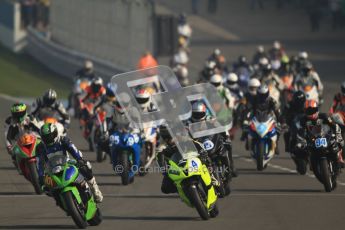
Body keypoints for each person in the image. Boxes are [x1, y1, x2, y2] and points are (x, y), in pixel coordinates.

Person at [38, 123, 103, 202]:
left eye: (50, 136)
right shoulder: (41, 147)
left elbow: (74, 150)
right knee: (46, 187)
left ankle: (95, 188)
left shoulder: (63, 140)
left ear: (55, 134)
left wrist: (80, 159)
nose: (48, 139)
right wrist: (41, 176)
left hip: (67, 163)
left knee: (85, 165)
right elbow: (40, 163)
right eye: (46, 138)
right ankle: (60, 201)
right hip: (51, 170)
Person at [298, 100, 344, 166]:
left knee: (341, 143)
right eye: (308, 111)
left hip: (325, 136)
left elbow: (335, 126)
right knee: (300, 150)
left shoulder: (324, 116)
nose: (310, 112)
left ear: (316, 109)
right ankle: (309, 162)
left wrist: (338, 136)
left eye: (312, 110)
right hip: (312, 139)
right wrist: (302, 140)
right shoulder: (303, 120)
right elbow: (300, 131)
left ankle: (339, 158)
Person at [247, 84, 283, 154]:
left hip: (268, 118)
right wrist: (245, 119)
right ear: (258, 93)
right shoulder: (254, 99)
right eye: (261, 95)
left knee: (278, 128)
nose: (262, 97)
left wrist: (281, 121)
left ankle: (276, 144)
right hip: (255, 117)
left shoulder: (271, 100)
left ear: (267, 93)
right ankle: (247, 140)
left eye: (264, 95)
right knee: (246, 126)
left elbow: (277, 111)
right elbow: (247, 109)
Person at [80, 77, 106, 150]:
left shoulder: (103, 91)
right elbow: (81, 99)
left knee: (106, 117)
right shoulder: (88, 89)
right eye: (94, 86)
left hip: (99, 107)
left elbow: (105, 100)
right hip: (89, 106)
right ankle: (86, 130)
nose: (95, 88)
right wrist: (83, 105)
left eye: (97, 86)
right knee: (84, 118)